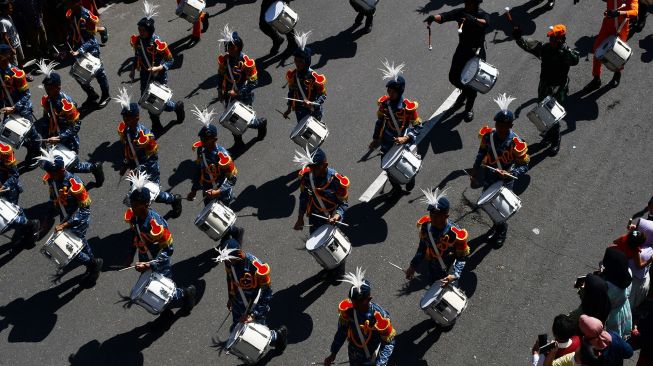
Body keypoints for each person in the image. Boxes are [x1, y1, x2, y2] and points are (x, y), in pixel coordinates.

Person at [124, 173, 196, 313]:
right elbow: (136, 237)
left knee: (164, 291)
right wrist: (130, 255)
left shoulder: (156, 224)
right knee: (152, 289)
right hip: (145, 259)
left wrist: (150, 264)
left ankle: (187, 293)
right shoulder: (135, 218)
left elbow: (169, 249)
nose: (132, 208)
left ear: (145, 205)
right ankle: (165, 310)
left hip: (159, 262)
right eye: (132, 205)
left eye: (135, 205)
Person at [470, 94, 529, 247]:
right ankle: (497, 225)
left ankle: (502, 229)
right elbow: (481, 153)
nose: (501, 129)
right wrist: (475, 171)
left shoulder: (516, 143)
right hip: (489, 177)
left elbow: (525, 165)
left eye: (505, 126)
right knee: (489, 205)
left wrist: (511, 173)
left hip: (505, 180)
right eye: (499, 125)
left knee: (501, 208)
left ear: (511, 126)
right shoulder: (488, 136)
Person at [37, 149, 103, 286]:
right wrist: (49, 215)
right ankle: (92, 263)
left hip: (78, 220)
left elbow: (84, 209)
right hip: (65, 217)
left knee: (71, 250)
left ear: (61, 170)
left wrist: (65, 225)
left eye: (51, 173)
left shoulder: (75, 184)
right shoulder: (52, 180)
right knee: (80, 242)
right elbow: (54, 198)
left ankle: (93, 264)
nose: (49, 175)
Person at [35, 60, 105, 187]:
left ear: (58, 87)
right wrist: (46, 134)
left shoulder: (67, 104)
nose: (47, 91)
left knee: (71, 166)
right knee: (59, 167)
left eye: (50, 89)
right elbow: (47, 118)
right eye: (46, 89)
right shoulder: (48, 100)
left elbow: (76, 126)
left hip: (68, 140)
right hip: (54, 137)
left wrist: (60, 137)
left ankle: (94, 168)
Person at [512, 24, 579, 156]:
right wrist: (518, 37)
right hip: (545, 85)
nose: (551, 42)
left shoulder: (566, 52)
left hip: (558, 87)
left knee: (552, 114)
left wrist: (564, 48)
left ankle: (555, 140)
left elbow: (575, 60)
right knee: (543, 112)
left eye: (554, 39)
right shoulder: (544, 48)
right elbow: (527, 45)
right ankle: (549, 135)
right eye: (550, 39)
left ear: (561, 39)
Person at [114, 89, 182, 217]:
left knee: (152, 194)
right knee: (137, 195)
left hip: (149, 169)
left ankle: (173, 199)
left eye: (128, 119)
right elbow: (128, 149)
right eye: (124, 118)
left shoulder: (147, 136)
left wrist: (139, 169)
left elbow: (152, 157)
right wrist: (125, 163)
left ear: (137, 117)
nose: (126, 121)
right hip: (135, 168)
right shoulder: (126, 131)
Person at [214, 239, 288, 353]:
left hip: (255, 306)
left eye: (229, 260)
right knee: (238, 330)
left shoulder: (258, 267)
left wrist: (253, 314)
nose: (227, 262)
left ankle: (278, 336)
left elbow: (267, 293)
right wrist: (231, 297)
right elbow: (230, 279)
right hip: (238, 304)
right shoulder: (229, 262)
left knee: (258, 335)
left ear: (239, 254)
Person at [424, 0, 490, 122]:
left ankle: (469, 108)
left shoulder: (482, 14)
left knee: (472, 83)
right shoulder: (461, 12)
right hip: (462, 50)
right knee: (453, 77)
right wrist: (433, 18)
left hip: (476, 53)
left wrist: (473, 20)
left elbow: (485, 23)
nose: (467, 4)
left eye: (469, 2)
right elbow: (445, 16)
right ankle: (464, 92)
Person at [186, 106, 244, 242]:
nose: (203, 142)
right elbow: (199, 171)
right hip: (207, 192)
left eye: (205, 140)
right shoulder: (201, 151)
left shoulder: (223, 156)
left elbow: (232, 179)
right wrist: (194, 190)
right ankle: (233, 234)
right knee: (213, 220)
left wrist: (218, 192)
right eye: (202, 139)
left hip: (222, 193)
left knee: (222, 219)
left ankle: (230, 241)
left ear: (214, 139)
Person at [129, 0, 185, 136]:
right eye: (139, 30)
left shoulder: (158, 43)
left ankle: (176, 107)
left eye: (143, 31)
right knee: (147, 99)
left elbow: (170, 59)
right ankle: (156, 123)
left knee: (159, 101)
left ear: (149, 30)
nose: (140, 33)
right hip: (144, 74)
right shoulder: (137, 41)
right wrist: (133, 69)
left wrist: (160, 67)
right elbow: (137, 55)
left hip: (158, 75)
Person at [369, 59, 422, 194]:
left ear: (400, 91)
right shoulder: (384, 104)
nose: (389, 94)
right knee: (387, 166)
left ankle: (410, 178)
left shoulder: (408, 108)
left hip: (403, 141)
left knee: (405, 165)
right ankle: (396, 188)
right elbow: (380, 122)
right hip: (387, 141)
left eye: (392, 92)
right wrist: (376, 139)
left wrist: (406, 138)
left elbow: (418, 126)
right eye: (388, 91)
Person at [324, 267, 396, 366]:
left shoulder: (380, 316)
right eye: (353, 302)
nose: (355, 306)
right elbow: (342, 332)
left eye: (358, 303)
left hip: (372, 356)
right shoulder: (348, 311)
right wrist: (333, 353)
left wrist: (381, 364)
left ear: (369, 298)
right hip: (354, 355)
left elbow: (389, 343)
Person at [405, 188, 470, 286]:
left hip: (449, 273)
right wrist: (413, 266)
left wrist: (454, 275)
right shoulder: (426, 226)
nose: (433, 218)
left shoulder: (456, 233)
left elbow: (462, 258)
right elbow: (422, 248)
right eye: (431, 214)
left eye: (437, 215)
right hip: (432, 270)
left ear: (446, 216)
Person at [216, 26, 267, 149]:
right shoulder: (225, 60)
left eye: (231, 47)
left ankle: (260, 124)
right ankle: (238, 142)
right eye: (227, 47)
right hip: (229, 94)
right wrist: (220, 90)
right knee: (232, 119)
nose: (228, 50)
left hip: (243, 95)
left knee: (245, 119)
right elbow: (220, 75)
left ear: (237, 47)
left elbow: (254, 82)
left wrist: (237, 92)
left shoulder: (247, 62)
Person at [0, 44, 42, 168]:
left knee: (30, 133)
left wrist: (14, 108)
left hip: (22, 109)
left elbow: (26, 94)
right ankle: (30, 147)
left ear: (5, 56)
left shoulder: (17, 73)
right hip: (9, 109)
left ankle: (37, 152)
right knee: (8, 134)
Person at [293, 147, 350, 234]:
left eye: (315, 168)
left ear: (325, 165)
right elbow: (304, 197)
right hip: (315, 217)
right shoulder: (307, 176)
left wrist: (336, 216)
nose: (312, 171)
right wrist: (300, 218)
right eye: (310, 168)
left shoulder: (336, 181)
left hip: (333, 217)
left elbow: (343, 204)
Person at [65, 0, 110, 108]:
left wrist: (79, 51)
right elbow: (74, 32)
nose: (67, 4)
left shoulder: (86, 16)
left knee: (99, 73)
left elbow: (90, 40)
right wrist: (70, 43)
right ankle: (92, 94)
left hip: (91, 49)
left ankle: (106, 95)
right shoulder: (72, 14)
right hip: (78, 48)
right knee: (78, 74)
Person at [585, 0, 638, 90]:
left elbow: (635, 12)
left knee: (617, 54)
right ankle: (596, 78)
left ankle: (617, 73)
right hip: (607, 25)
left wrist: (619, 13)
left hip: (621, 27)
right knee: (597, 50)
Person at [282, 31, 327, 123]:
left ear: (306, 62)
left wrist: (313, 104)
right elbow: (291, 92)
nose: (297, 64)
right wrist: (289, 109)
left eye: (300, 61)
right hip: (300, 110)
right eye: (295, 60)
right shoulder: (293, 75)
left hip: (313, 110)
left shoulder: (314, 77)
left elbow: (323, 95)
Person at [0, 143, 39, 247]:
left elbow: (14, 175)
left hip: (8, 189)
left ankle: (30, 226)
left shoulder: (4, 152)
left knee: (11, 213)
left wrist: (3, 187)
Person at [612, 230, 652, 312]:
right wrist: (649, 260)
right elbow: (639, 266)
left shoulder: (624, 237)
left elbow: (614, 241)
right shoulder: (635, 252)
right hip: (622, 264)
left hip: (615, 255)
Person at [600, 247, 633, 338]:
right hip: (624, 307)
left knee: (612, 334)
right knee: (622, 329)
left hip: (612, 314)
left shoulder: (608, 286)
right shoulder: (628, 273)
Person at [0, 0, 23, 67]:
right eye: (10, 8)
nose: (12, 9)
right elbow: (5, 37)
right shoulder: (2, 22)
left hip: (17, 43)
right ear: (4, 9)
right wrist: (11, 48)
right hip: (12, 46)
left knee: (21, 60)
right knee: (15, 64)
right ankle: (17, 77)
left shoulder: (9, 17)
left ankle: (23, 74)